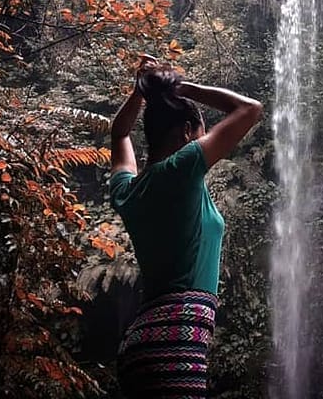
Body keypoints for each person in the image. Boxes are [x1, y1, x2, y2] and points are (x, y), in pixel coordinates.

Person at [108, 55, 262, 398]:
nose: (205, 140)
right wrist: (183, 87)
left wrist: (139, 94)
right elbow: (249, 109)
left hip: (141, 344)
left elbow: (119, 133)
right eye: (202, 132)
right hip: (174, 344)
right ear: (187, 132)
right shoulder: (183, 166)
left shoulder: (127, 192)